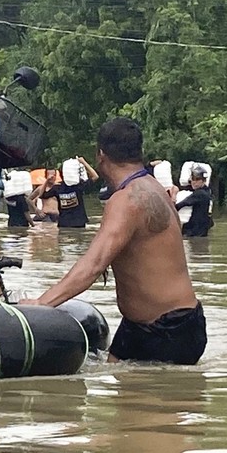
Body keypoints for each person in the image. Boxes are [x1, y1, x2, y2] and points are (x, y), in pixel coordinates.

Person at [20, 117, 206, 365]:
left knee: (137, 400)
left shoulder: (126, 200)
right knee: (115, 379)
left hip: (167, 329)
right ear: (139, 152)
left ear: (100, 156)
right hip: (147, 325)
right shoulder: (153, 188)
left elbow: (93, 264)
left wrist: (40, 304)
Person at [177, 166, 214, 238]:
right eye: (192, 179)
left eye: (197, 179)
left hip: (193, 232)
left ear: (204, 180)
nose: (194, 182)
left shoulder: (199, 194)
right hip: (202, 232)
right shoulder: (208, 191)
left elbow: (182, 204)